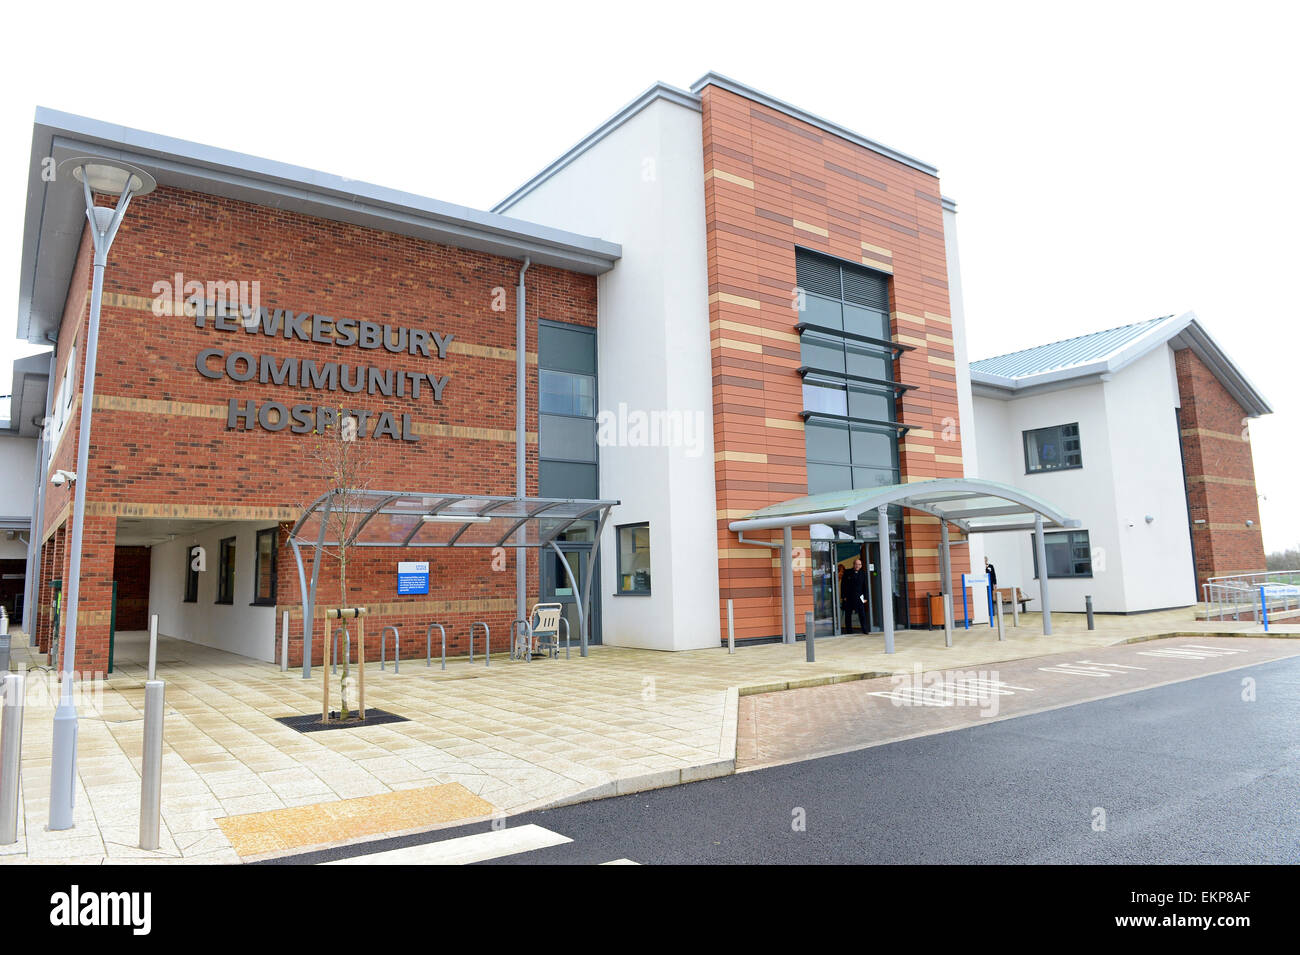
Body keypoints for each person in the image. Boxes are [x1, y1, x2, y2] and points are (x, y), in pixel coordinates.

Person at [841, 557, 870, 634]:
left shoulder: (863, 573)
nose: (857, 566)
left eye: (859, 564)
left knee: (862, 614)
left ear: (861, 566)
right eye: (856, 564)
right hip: (849, 597)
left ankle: (864, 630)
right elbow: (843, 585)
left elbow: (865, 586)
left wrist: (866, 597)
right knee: (848, 615)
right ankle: (849, 631)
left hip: (859, 597)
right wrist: (843, 596)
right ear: (853, 565)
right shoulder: (847, 572)